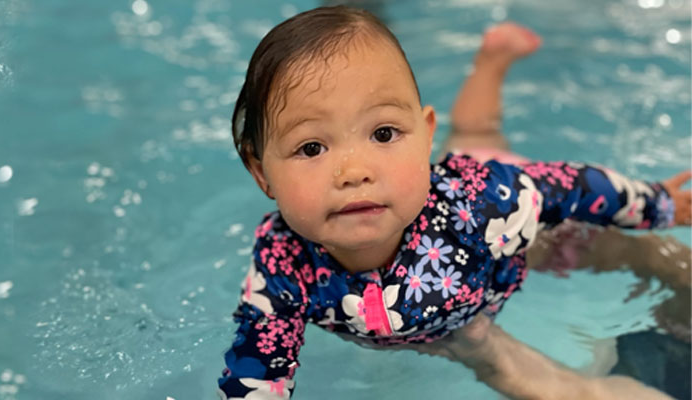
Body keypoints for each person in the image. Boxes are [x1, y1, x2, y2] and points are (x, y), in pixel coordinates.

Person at [218, 6, 691, 399]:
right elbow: (258, 368)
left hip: (520, 229)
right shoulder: (280, 264)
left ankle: (491, 63)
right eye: (311, 148)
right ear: (261, 173)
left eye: (384, 133)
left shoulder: (484, 206)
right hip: (437, 266)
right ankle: (489, 63)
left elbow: (572, 187)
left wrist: (657, 205)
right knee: (473, 135)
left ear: (424, 136)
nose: (353, 171)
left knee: (486, 143)